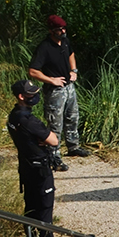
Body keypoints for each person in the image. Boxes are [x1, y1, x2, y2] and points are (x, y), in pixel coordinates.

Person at [28, 15, 84, 170]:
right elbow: (33, 71)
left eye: (64, 28)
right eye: (59, 30)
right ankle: (54, 156)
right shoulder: (44, 47)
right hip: (55, 91)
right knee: (55, 124)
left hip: (69, 86)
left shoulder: (65, 42)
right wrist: (51, 80)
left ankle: (73, 147)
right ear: (51, 30)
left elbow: (71, 54)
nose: (63, 31)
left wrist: (74, 71)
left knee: (73, 116)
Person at [7, 80, 58, 237]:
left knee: (30, 205)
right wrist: (43, 138)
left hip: (25, 166)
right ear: (21, 96)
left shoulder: (13, 116)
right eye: (31, 94)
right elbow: (53, 140)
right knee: (44, 206)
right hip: (39, 168)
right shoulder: (29, 121)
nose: (35, 96)